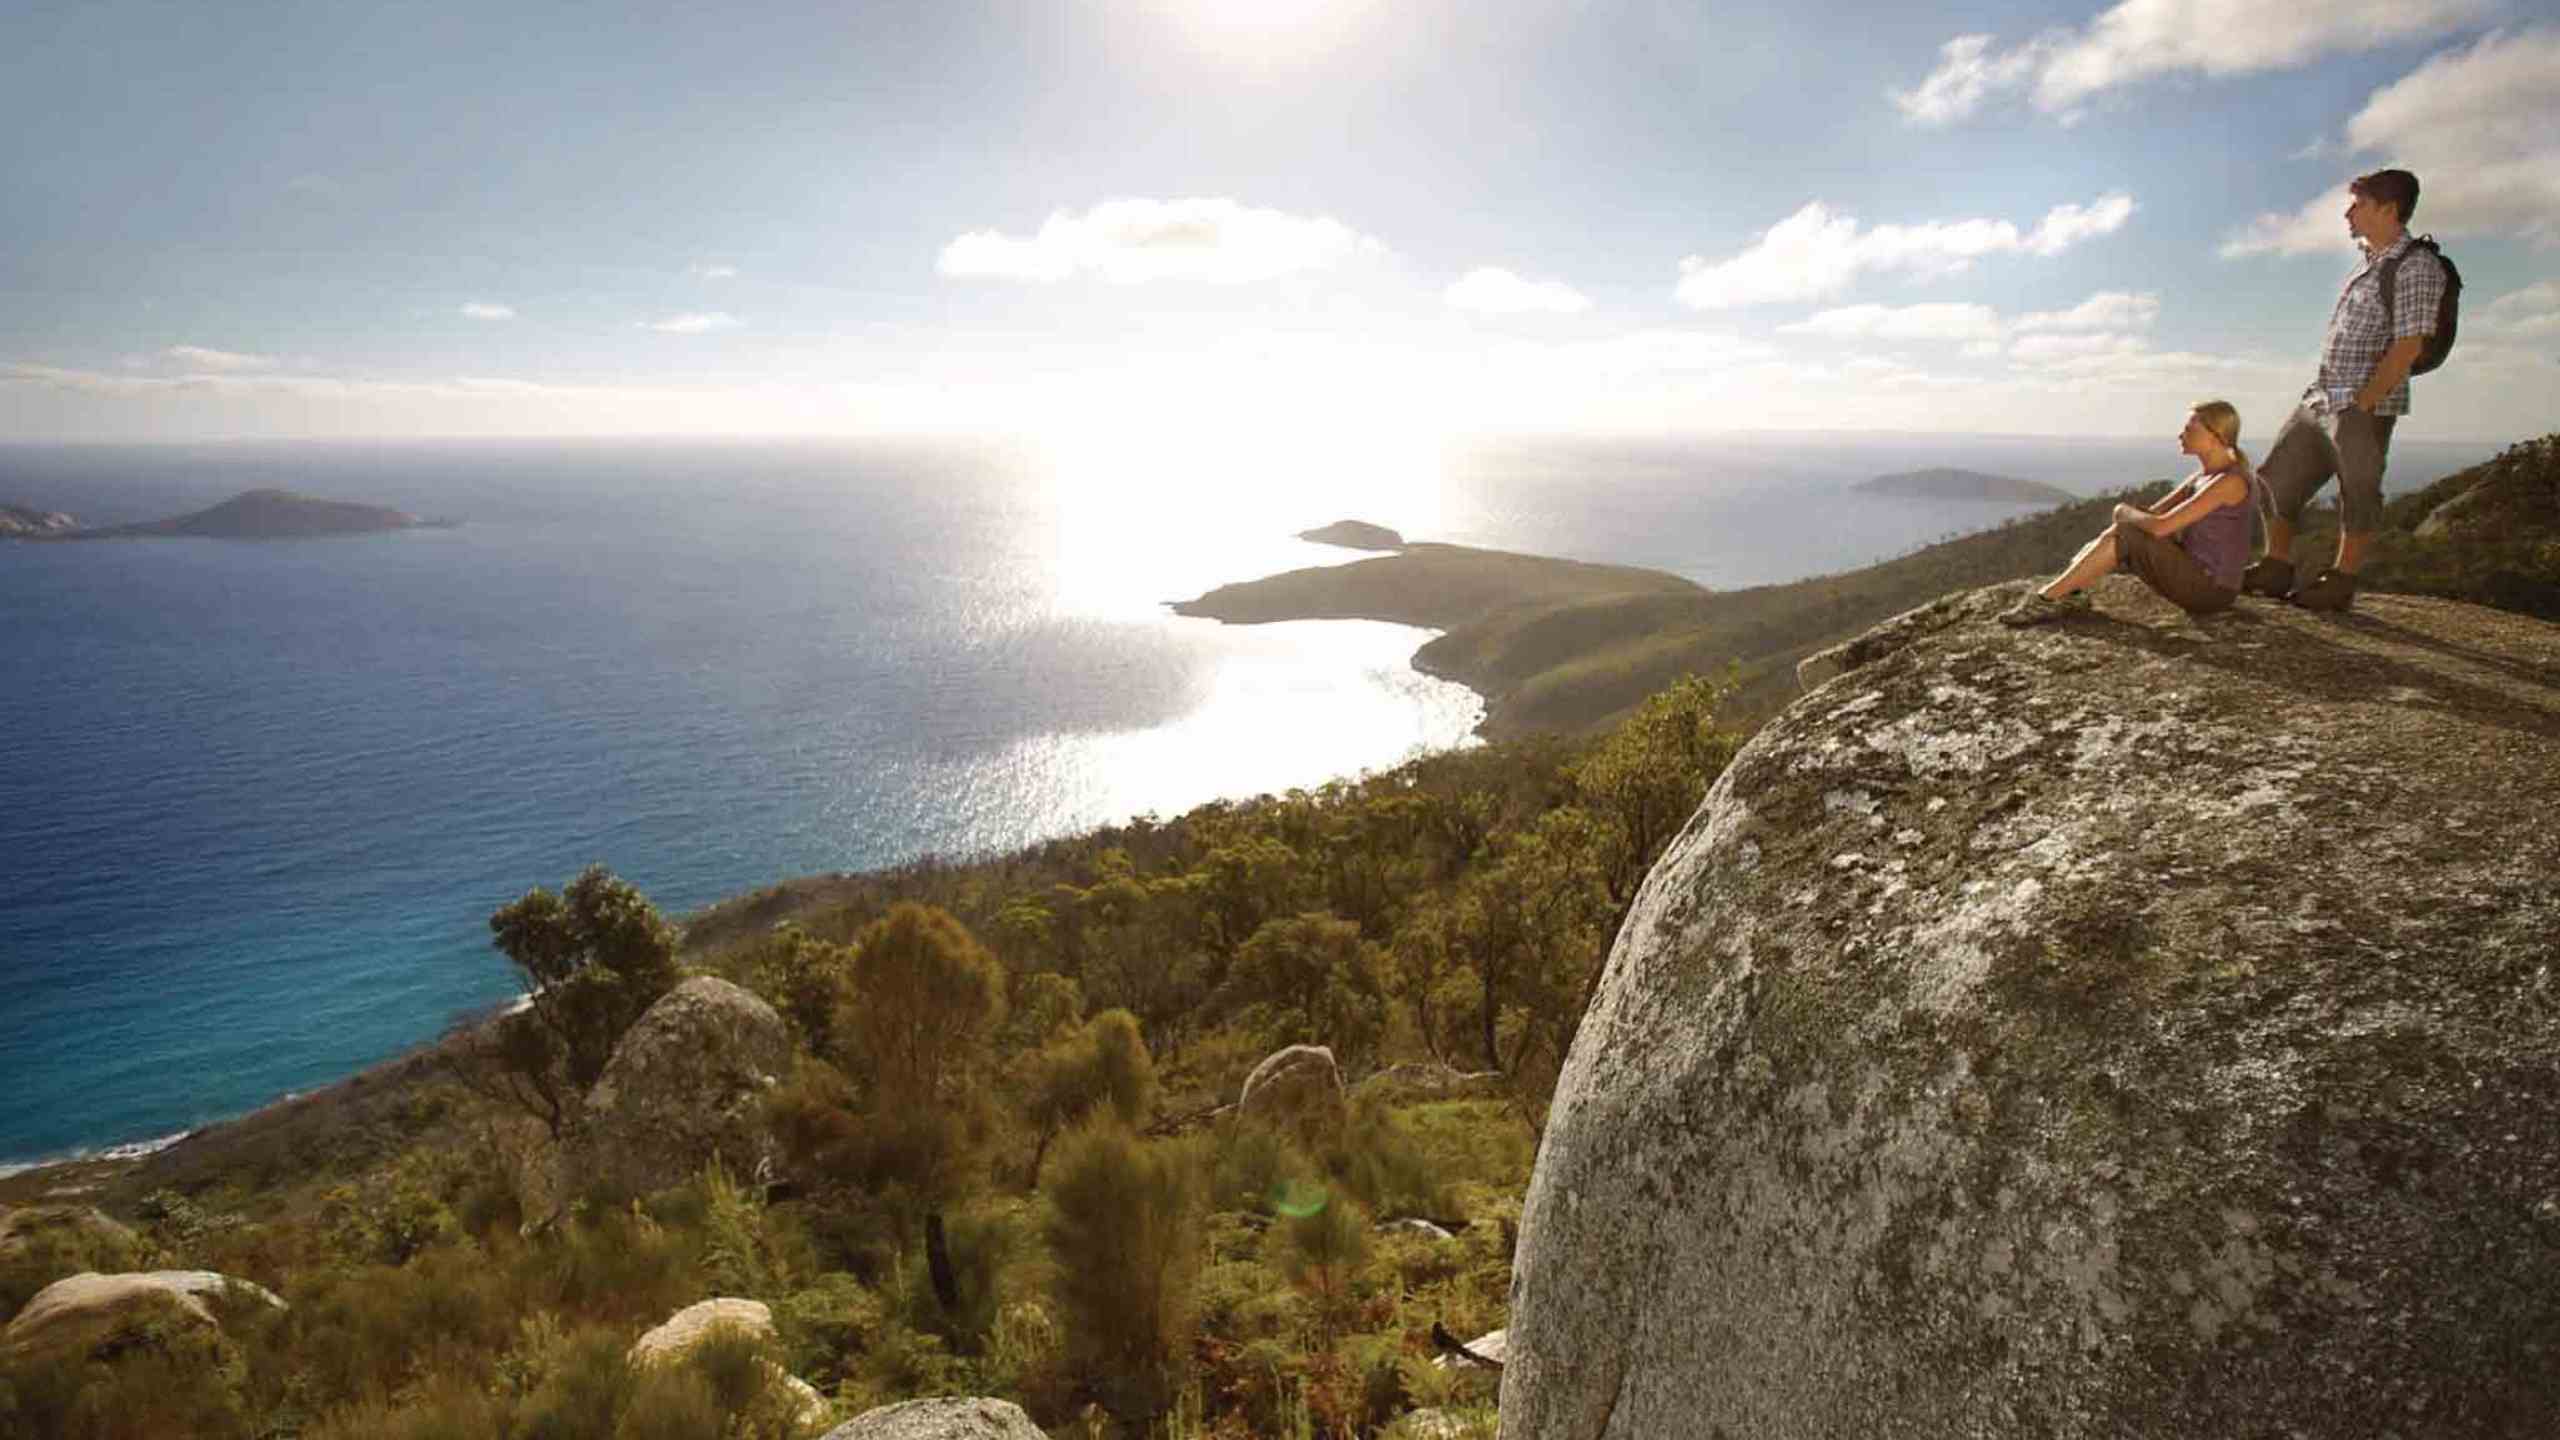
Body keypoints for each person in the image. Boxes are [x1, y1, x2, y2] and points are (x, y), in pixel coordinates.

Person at [2243, 168, 2448, 612]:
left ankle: (2341, 580)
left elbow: (2408, 345)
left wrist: (2363, 403)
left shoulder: (2416, 266)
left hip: (2360, 405)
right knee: (2275, 478)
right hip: (2321, 398)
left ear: (2388, 209)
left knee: (2358, 491)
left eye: (2358, 204)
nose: (2347, 213)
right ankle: (2276, 566)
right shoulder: (2368, 262)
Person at [2001, 400, 2262, 626]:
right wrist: (2129, 516)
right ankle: (2067, 592)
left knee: (2127, 531)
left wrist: (2122, 511)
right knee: (2126, 530)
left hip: (2211, 591)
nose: (2180, 435)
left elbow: (2160, 526)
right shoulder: (2203, 477)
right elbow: (2153, 513)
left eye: (2189, 429)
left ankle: (2048, 597)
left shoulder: (2230, 482)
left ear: (2216, 436)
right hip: (2196, 576)